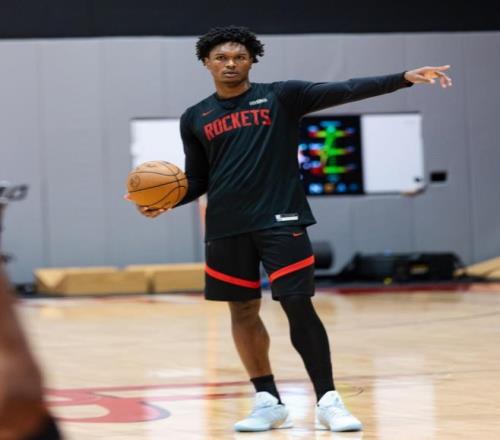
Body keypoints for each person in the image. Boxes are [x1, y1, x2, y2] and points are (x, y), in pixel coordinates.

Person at [132, 26, 452, 432]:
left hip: (281, 219)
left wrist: (403, 77)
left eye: (239, 57)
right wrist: (166, 200)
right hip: (227, 226)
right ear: (206, 63)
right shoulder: (195, 117)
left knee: (297, 302)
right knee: (242, 309)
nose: (230, 64)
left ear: (252, 61)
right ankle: (268, 401)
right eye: (221, 58)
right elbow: (198, 179)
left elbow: (346, 89)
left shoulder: (282, 96)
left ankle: (328, 400)